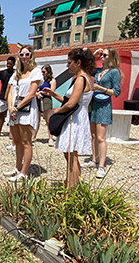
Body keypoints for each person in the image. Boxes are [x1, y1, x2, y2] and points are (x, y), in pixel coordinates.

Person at [43, 47, 95, 187]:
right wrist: (53, 94)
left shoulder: (80, 79)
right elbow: (70, 100)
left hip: (75, 119)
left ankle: (72, 188)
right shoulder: (85, 78)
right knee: (70, 154)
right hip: (77, 116)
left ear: (78, 63)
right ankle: (72, 184)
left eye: (69, 62)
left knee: (72, 155)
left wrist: (56, 111)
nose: (67, 66)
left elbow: (71, 103)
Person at [4, 45, 42, 182]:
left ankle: (24, 172)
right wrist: (10, 106)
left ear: (31, 56)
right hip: (14, 110)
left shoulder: (36, 71)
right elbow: (10, 91)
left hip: (26, 110)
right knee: (17, 141)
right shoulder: (16, 73)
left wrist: (17, 107)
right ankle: (17, 167)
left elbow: (32, 93)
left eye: (27, 54)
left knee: (26, 141)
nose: (24, 57)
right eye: (22, 54)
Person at [87, 47, 122, 178]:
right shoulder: (98, 70)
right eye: (101, 55)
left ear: (111, 57)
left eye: (104, 55)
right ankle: (94, 159)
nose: (102, 57)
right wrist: (94, 55)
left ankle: (101, 166)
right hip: (94, 103)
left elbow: (116, 92)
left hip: (104, 104)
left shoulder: (114, 72)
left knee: (101, 137)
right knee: (94, 136)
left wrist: (100, 88)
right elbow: (86, 67)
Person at [0, 57, 15, 139]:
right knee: (2, 115)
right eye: (7, 63)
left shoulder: (15, 74)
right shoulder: (2, 73)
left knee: (12, 116)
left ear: (14, 64)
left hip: (12, 98)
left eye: (10, 64)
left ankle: (12, 133)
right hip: (2, 97)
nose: (8, 65)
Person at [34, 65, 57, 146]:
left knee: (48, 120)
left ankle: (50, 138)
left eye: (44, 72)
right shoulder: (40, 80)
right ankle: (33, 136)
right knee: (36, 119)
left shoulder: (52, 80)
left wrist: (42, 92)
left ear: (48, 72)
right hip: (38, 99)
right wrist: (37, 93)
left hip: (46, 100)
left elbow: (52, 92)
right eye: (41, 72)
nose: (42, 73)